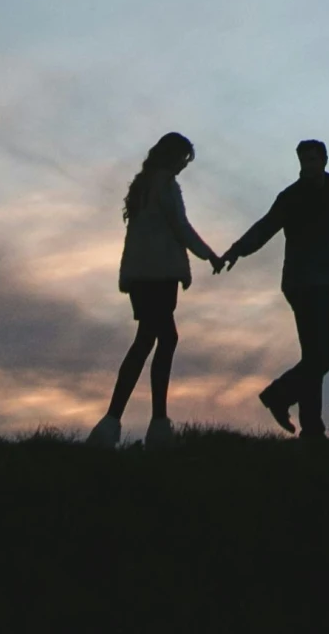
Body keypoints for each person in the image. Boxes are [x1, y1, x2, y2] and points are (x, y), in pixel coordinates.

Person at [88, 132, 227, 449]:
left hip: (140, 277)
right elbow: (181, 226)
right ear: (172, 156)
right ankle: (149, 426)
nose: (183, 166)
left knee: (150, 340)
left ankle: (125, 424)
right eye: (183, 159)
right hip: (159, 275)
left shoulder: (142, 186)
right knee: (158, 340)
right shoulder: (165, 185)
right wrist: (210, 255)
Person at [225, 139, 329, 439]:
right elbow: (266, 227)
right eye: (304, 160)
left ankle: (281, 395)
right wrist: (238, 249)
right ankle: (311, 428)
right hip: (302, 284)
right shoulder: (291, 197)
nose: (309, 165)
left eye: (314, 159)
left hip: (327, 282)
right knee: (315, 354)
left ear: (324, 160)